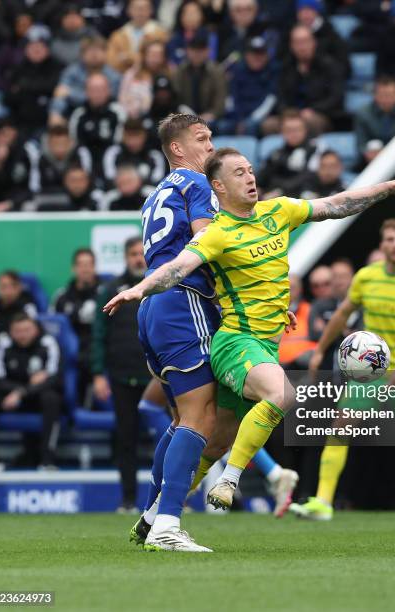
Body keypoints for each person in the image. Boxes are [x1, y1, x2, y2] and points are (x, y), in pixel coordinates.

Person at [103, 148, 395, 521]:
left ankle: (155, 517)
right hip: (236, 343)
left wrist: (389, 187)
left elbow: (337, 204)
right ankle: (230, 480)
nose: (250, 177)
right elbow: (179, 268)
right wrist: (139, 289)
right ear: (219, 186)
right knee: (282, 394)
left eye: (251, 170)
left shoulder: (279, 211)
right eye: (239, 173)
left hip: (265, 346)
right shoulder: (217, 233)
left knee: (216, 443)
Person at [120, 115, 297, 553]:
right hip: (183, 303)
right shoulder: (197, 184)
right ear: (178, 149)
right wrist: (256, 297)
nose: (211, 146)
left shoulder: (156, 194)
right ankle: (167, 525)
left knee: (183, 418)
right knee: (202, 418)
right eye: (202, 139)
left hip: (154, 310)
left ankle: (150, 515)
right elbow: (208, 247)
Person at [290, 218, 395, 522]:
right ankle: (323, 502)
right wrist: (321, 349)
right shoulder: (366, 277)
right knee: (340, 427)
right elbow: (342, 314)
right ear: (382, 244)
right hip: (370, 372)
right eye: (389, 239)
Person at [91, 236, 151, 512]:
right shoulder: (112, 289)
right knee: (126, 439)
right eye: (133, 254)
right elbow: (98, 334)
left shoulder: (159, 285)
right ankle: (128, 500)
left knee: (173, 435)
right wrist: (98, 374)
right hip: (122, 376)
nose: (138, 258)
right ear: (126, 257)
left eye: (142, 253)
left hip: (158, 378)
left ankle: (173, 499)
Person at [0, 313, 63, 469]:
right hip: (9, 396)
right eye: (18, 331)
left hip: (36, 395)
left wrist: (23, 392)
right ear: (11, 331)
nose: (22, 335)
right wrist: (17, 391)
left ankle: (47, 459)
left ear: (35, 330)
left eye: (26, 330)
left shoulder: (47, 343)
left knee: (52, 398)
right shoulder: (4, 344)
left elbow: (55, 378)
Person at [52, 249, 101, 404]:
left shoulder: (107, 292)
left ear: (95, 267)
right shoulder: (61, 296)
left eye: (89, 264)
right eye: (81, 265)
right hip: (70, 356)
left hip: (98, 354)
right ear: (73, 268)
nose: (85, 269)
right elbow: (53, 330)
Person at [276, 25, 345, 135]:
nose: (301, 46)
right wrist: (288, 113)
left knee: (310, 122)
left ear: (314, 42)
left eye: (305, 41)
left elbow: (336, 97)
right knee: (268, 125)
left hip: (323, 115)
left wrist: (313, 109)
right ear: (291, 45)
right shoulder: (286, 68)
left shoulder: (330, 66)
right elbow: (280, 96)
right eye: (297, 42)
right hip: (291, 115)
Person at [4, 24, 62, 136]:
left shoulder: (57, 67)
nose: (36, 50)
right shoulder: (18, 68)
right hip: (20, 122)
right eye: (32, 46)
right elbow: (8, 97)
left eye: (40, 46)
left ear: (48, 49)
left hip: (46, 122)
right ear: (26, 49)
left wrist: (24, 86)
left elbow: (53, 88)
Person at [50, 35, 121, 124]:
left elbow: (106, 99)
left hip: (105, 117)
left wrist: (72, 94)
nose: (94, 54)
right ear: (82, 54)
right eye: (90, 50)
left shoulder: (114, 76)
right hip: (73, 115)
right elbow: (59, 94)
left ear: (106, 53)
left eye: (98, 50)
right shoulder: (71, 72)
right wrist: (55, 113)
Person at [216, 35, 278, 137]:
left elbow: (270, 100)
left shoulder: (272, 72)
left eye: (261, 53)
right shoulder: (237, 71)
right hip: (236, 115)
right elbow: (231, 97)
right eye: (253, 53)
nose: (257, 57)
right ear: (246, 55)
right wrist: (238, 118)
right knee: (222, 126)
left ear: (266, 56)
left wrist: (252, 118)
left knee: (250, 126)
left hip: (259, 116)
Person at [354, 76, 395, 167]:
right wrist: (368, 153)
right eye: (382, 95)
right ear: (375, 95)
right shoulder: (363, 113)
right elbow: (361, 144)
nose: (386, 99)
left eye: (390, 95)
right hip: (370, 162)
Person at [258, 110, 322, 198]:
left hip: (305, 199)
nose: (293, 134)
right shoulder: (276, 154)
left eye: (297, 129)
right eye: (288, 130)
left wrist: (281, 189)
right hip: (278, 200)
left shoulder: (316, 150)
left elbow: (310, 178)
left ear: (305, 130)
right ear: (282, 132)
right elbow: (262, 179)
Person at [68, 72, 126, 169]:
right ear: (86, 92)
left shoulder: (118, 112)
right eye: (93, 90)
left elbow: (119, 140)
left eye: (101, 90)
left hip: (111, 156)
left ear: (108, 91)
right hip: (85, 157)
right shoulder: (79, 114)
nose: (97, 94)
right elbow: (73, 141)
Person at [172, 30, 227, 128]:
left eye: (201, 50)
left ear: (208, 51)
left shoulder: (217, 71)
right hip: (185, 116)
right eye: (194, 50)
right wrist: (185, 116)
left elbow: (220, 101)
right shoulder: (180, 71)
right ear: (187, 51)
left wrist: (211, 114)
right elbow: (175, 98)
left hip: (211, 117)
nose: (197, 54)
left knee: (223, 126)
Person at [308, 258, 354, 370]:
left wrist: (329, 329)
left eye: (343, 276)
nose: (339, 281)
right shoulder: (319, 305)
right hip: (327, 367)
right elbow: (314, 334)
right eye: (335, 277)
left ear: (353, 278)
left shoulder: (362, 305)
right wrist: (345, 331)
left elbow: (363, 339)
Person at [101, 118, 165, 188]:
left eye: (136, 135)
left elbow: (158, 181)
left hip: (146, 195)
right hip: (119, 192)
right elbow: (109, 178)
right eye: (129, 136)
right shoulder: (113, 153)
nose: (133, 141)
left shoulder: (154, 156)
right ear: (123, 136)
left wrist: (135, 185)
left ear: (144, 136)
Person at [106, 0, 167, 73]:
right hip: (123, 76)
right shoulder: (118, 35)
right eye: (136, 8)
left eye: (144, 8)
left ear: (151, 10)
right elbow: (111, 62)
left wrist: (129, 58)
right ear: (128, 10)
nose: (140, 12)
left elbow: (163, 61)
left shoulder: (161, 34)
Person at [118, 38, 169, 119]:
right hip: (131, 117)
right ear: (144, 55)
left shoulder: (168, 76)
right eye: (152, 55)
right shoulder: (131, 74)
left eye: (158, 55)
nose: (155, 59)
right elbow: (122, 97)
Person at [0, 271, 37, 340]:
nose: (8, 292)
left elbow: (30, 334)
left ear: (19, 287)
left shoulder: (27, 307)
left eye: (13, 286)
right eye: (4, 287)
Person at [166, 1, 219, 68]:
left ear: (201, 16)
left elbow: (211, 60)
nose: (191, 16)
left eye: (194, 13)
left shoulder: (210, 36)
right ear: (181, 17)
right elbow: (171, 62)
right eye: (187, 13)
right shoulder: (174, 38)